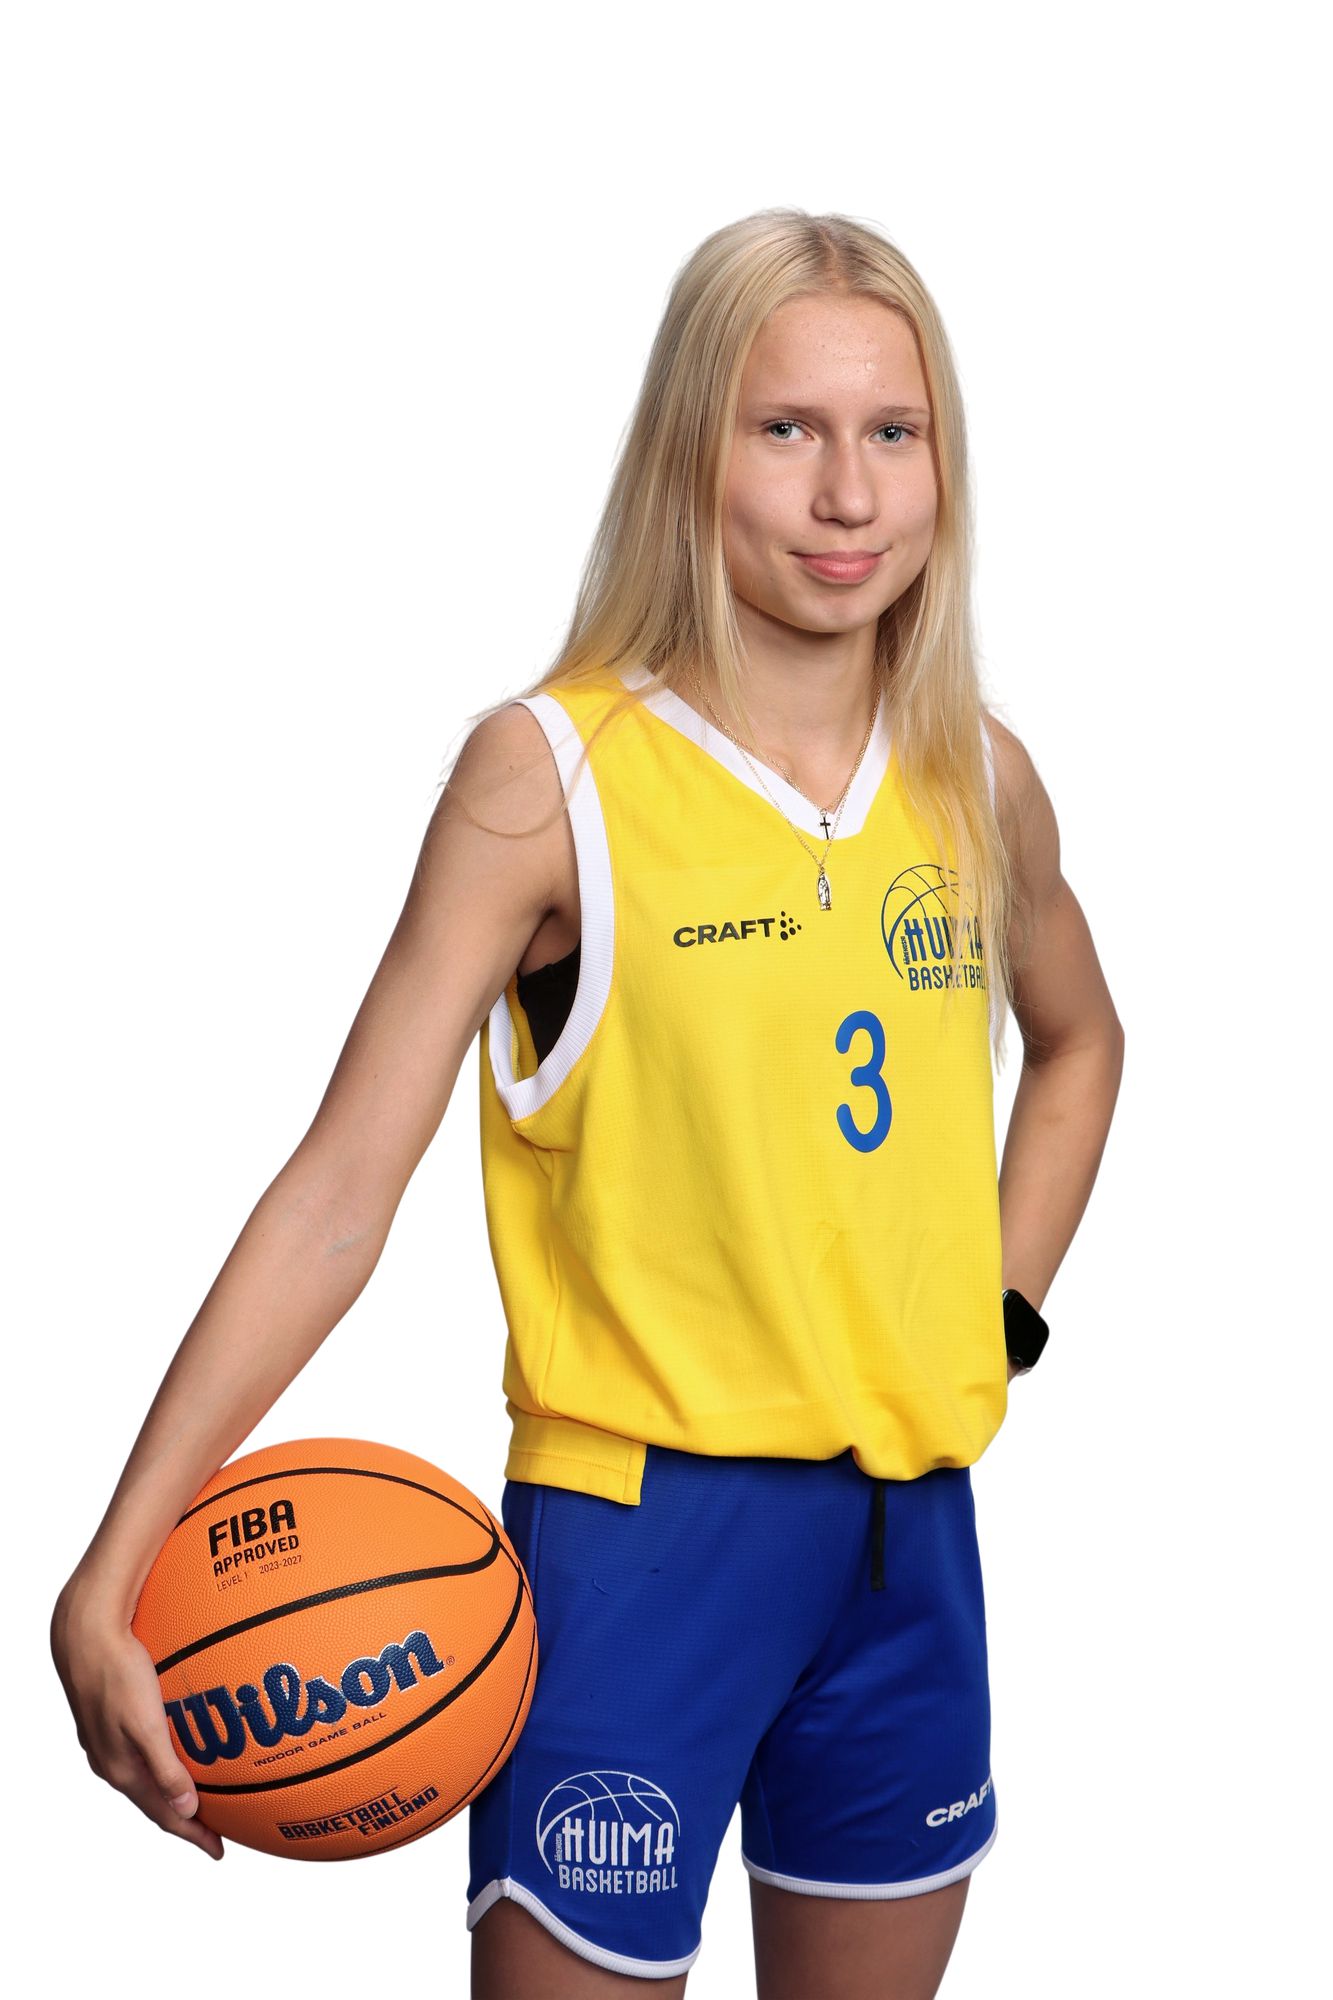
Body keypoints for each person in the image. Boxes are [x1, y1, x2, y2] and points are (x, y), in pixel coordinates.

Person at [50, 209, 1124, 2000]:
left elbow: (1080, 1045)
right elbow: (339, 1191)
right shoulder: (548, 778)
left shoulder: (976, 781)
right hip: (636, 1550)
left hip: (908, 1549)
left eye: (894, 430)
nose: (848, 493)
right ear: (687, 448)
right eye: (785, 429)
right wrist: (116, 1558)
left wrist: (991, 1317)